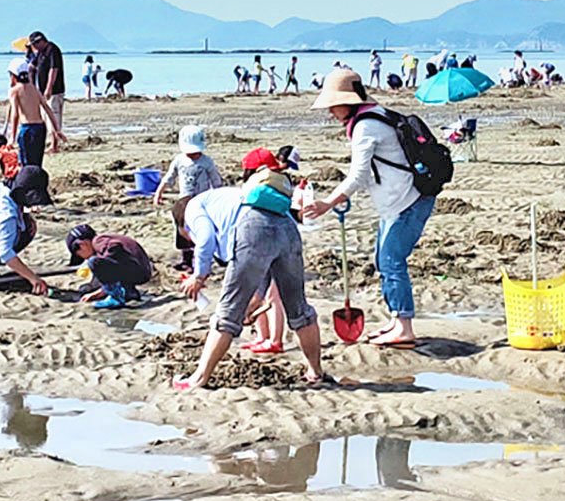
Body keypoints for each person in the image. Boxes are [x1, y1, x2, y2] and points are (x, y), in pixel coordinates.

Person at [297, 72, 433, 351]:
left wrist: (328, 203)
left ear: (350, 102)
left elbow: (358, 175)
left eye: (334, 105)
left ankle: (404, 328)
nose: (331, 112)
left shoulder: (365, 127)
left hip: (408, 200)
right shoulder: (377, 114)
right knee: (383, 261)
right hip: (397, 201)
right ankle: (396, 321)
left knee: (392, 261)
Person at [175, 151, 328, 389]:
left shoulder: (193, 207)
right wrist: (255, 299)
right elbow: (263, 262)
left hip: (253, 227)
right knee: (299, 309)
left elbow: (204, 239)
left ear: (181, 223)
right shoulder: (233, 195)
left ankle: (199, 378)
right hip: (288, 227)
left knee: (227, 313)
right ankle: (315, 372)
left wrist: (198, 275)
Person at [154, 123, 224, 271]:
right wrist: (159, 192)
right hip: (184, 201)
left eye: (196, 152)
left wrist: (219, 197)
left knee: (204, 229)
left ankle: (209, 258)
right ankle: (186, 259)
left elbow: (216, 180)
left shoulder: (206, 162)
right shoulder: (179, 160)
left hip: (203, 201)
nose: (193, 155)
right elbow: (170, 177)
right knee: (182, 229)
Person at [63, 223, 154, 308]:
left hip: (136, 269)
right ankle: (129, 292)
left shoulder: (98, 241)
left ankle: (116, 297)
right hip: (140, 271)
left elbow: (115, 247)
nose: (84, 259)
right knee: (98, 264)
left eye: (79, 255)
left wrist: (103, 291)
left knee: (94, 262)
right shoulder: (103, 242)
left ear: (83, 244)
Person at [22, 30, 67, 149]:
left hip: (54, 90)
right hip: (41, 90)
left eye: (35, 44)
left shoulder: (52, 50)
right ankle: (52, 142)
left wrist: (49, 87)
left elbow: (54, 69)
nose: (35, 47)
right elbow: (33, 66)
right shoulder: (41, 53)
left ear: (41, 41)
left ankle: (54, 144)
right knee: (45, 117)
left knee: (54, 115)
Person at [6, 57, 51, 169]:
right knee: (37, 162)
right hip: (40, 128)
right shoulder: (34, 88)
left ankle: (27, 184)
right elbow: (46, 107)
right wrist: (56, 130)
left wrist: (12, 136)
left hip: (27, 128)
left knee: (25, 163)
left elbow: (15, 114)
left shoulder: (14, 91)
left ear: (13, 76)